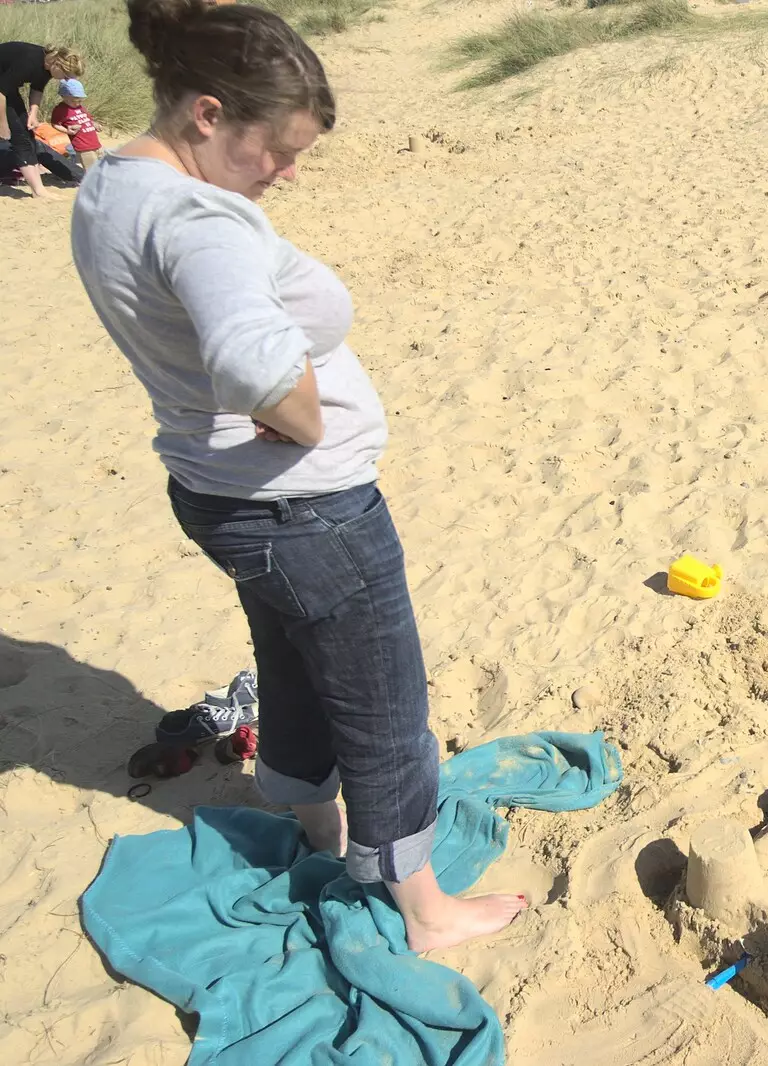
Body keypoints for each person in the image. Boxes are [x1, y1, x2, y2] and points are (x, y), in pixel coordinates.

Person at [71, 0, 526, 952]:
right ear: (206, 114)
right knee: (384, 706)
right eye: (276, 149)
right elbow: (250, 357)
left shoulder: (113, 182)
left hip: (219, 494)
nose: (284, 172)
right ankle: (427, 911)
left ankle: (316, 826)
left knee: (295, 673)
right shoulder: (202, 217)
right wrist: (304, 417)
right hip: (309, 514)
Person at [0, 40, 84, 200]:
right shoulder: (29, 62)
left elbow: (37, 89)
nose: (65, 80)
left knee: (24, 135)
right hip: (2, 92)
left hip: (6, 90)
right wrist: (2, 125)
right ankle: (38, 190)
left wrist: (33, 113)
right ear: (58, 65)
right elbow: (0, 93)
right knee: (19, 135)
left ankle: (38, 190)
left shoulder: (48, 66)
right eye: (66, 76)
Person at [51, 76, 102, 169]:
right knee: (92, 170)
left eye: (79, 100)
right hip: (83, 146)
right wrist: (68, 131)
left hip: (95, 144)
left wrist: (94, 124)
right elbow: (55, 124)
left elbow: (87, 119)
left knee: (102, 166)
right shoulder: (61, 110)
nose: (77, 103)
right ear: (63, 96)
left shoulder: (80, 107)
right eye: (73, 100)